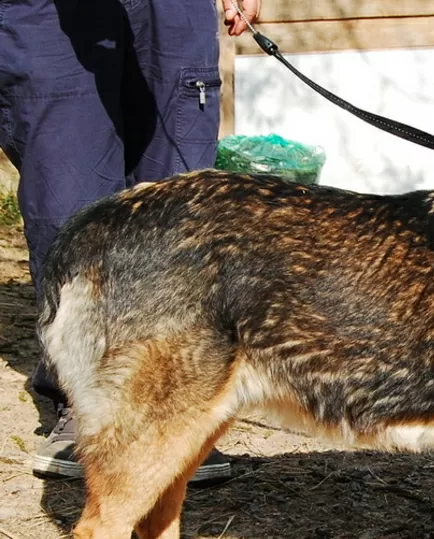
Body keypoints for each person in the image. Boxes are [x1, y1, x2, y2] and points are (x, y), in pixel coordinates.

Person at [0, 0, 261, 485]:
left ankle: (174, 413)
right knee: (68, 209)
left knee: (179, 208)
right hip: (54, 18)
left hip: (171, 11)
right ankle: (88, 405)